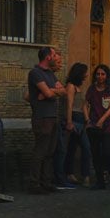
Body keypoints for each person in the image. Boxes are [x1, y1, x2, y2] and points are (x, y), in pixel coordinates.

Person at [27, 46, 67, 194]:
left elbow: (62, 91)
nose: (56, 57)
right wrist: (50, 92)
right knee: (40, 150)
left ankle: (46, 182)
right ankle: (34, 184)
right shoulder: (35, 73)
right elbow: (48, 94)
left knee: (50, 151)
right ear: (48, 57)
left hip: (52, 116)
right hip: (42, 117)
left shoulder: (50, 74)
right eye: (54, 54)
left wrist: (51, 91)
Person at [84, 64, 110, 190]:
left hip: (108, 125)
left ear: (107, 75)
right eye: (98, 74)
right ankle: (100, 181)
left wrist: (102, 120)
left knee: (107, 152)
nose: (100, 76)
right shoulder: (92, 89)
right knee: (95, 153)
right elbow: (85, 104)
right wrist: (87, 119)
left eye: (102, 74)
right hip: (93, 125)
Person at [62, 63, 93, 186]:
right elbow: (69, 105)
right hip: (74, 118)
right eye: (85, 72)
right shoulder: (71, 86)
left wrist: (87, 120)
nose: (87, 75)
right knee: (85, 148)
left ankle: (71, 174)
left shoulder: (80, 87)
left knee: (73, 147)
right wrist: (69, 122)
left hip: (80, 119)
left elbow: (83, 105)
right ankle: (84, 175)